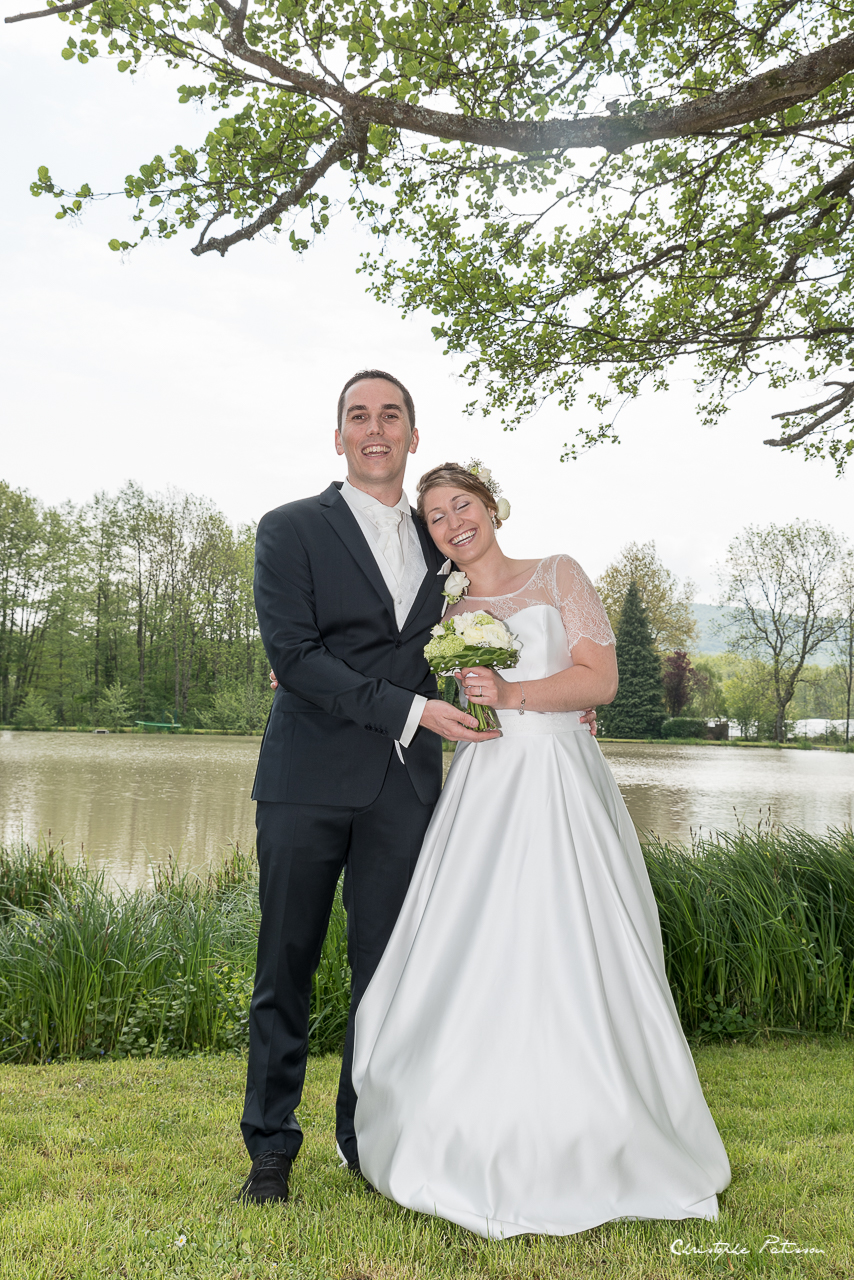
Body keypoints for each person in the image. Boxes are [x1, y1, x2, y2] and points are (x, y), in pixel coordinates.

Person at [238, 372, 595, 1205]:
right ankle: (271, 1149)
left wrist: (556, 696)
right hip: (304, 778)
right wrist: (410, 710)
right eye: (359, 416)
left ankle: (368, 1138)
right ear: (339, 438)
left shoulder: (445, 540)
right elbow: (294, 654)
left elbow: (502, 623)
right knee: (285, 964)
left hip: (406, 790)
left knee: (390, 970)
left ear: (412, 435)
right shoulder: (289, 528)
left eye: (390, 415)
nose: (375, 429)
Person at [351, 462, 731, 1238]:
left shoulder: (559, 573)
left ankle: (599, 1121)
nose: (453, 523)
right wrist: (297, 670)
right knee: (478, 945)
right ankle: (459, 1116)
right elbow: (383, 664)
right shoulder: (446, 607)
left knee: (576, 938)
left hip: (559, 775)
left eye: (462, 505)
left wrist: (514, 695)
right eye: (435, 517)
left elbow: (601, 681)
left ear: (492, 507)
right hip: (485, 785)